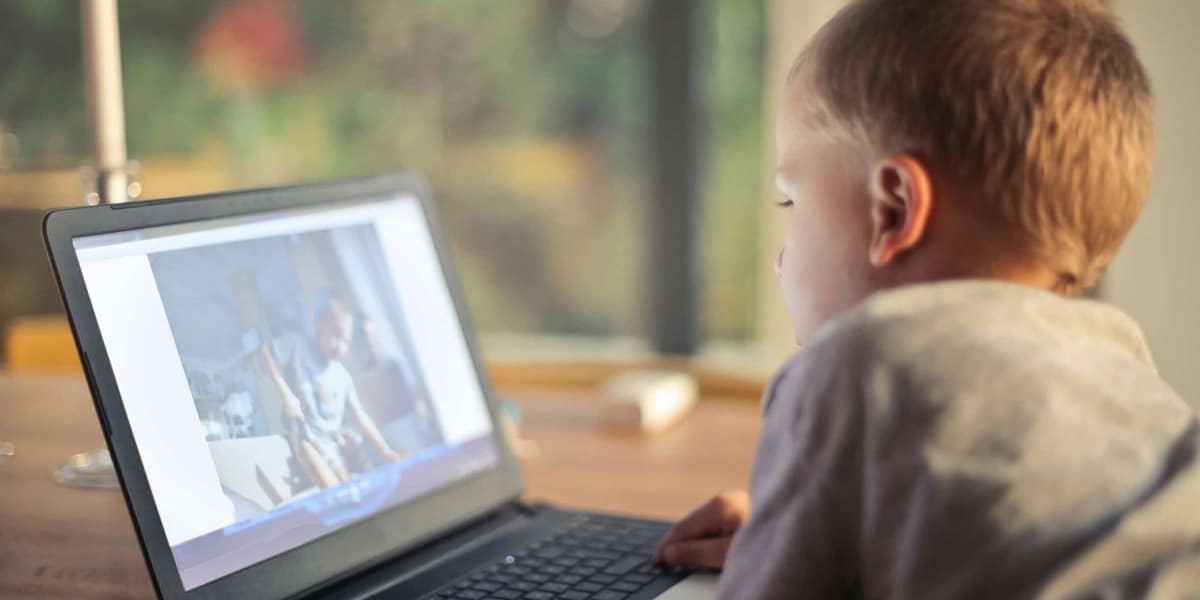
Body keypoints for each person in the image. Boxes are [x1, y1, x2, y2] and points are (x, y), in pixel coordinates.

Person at [654, 0, 1200, 598]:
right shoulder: (1127, 367)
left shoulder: (858, 364)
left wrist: (772, 560)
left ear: (894, 209)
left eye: (792, 203)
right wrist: (805, 540)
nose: (780, 257)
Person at [261, 292, 406, 489]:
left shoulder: (343, 377)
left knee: (349, 490)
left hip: (333, 445)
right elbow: (266, 351)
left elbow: (361, 416)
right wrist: (286, 396)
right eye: (335, 335)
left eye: (346, 340)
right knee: (332, 490)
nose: (340, 346)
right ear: (318, 326)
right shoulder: (298, 346)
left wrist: (387, 452)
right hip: (306, 437)